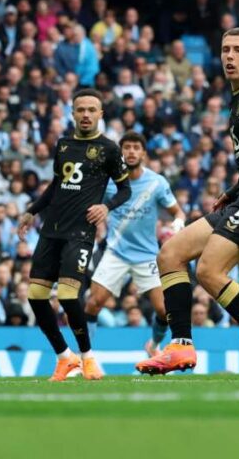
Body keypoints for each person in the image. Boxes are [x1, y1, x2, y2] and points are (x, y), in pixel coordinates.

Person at [136, 27, 239, 380]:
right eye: (225, 49)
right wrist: (234, 189)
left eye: (238, 49)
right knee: (170, 254)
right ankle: (180, 344)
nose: (230, 56)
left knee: (209, 270)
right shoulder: (238, 97)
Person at [17, 89, 131, 382]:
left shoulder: (109, 149)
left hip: (80, 232)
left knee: (68, 296)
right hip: (51, 229)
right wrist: (32, 211)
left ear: (100, 114)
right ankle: (64, 358)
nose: (86, 115)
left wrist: (106, 207)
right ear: (73, 113)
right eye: (81, 110)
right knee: (35, 296)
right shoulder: (64, 145)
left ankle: (88, 357)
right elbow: (56, 185)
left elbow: (125, 190)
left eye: (92, 110)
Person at [85, 132, 186, 356]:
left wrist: (177, 225)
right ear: (120, 153)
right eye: (127, 147)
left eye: (136, 147)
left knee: (164, 310)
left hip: (147, 255)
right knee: (92, 304)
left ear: (143, 154)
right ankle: (86, 356)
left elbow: (178, 212)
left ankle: (154, 345)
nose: (131, 151)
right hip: (116, 253)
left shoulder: (157, 182)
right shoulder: (108, 182)